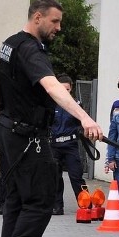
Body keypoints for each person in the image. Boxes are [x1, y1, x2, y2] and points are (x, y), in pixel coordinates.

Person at [0, 0, 103, 237]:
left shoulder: (10, 43)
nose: (59, 28)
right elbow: (52, 86)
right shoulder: (30, 50)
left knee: (15, 199)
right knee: (41, 200)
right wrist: (85, 119)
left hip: (8, 131)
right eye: (55, 21)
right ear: (37, 17)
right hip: (27, 136)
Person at [50, 74, 86, 216]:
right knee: (55, 177)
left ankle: (85, 205)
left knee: (76, 176)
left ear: (71, 89)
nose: (65, 92)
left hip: (70, 144)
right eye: (62, 89)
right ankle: (57, 206)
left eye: (67, 89)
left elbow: (82, 122)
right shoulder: (51, 104)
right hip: (54, 145)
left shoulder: (76, 104)